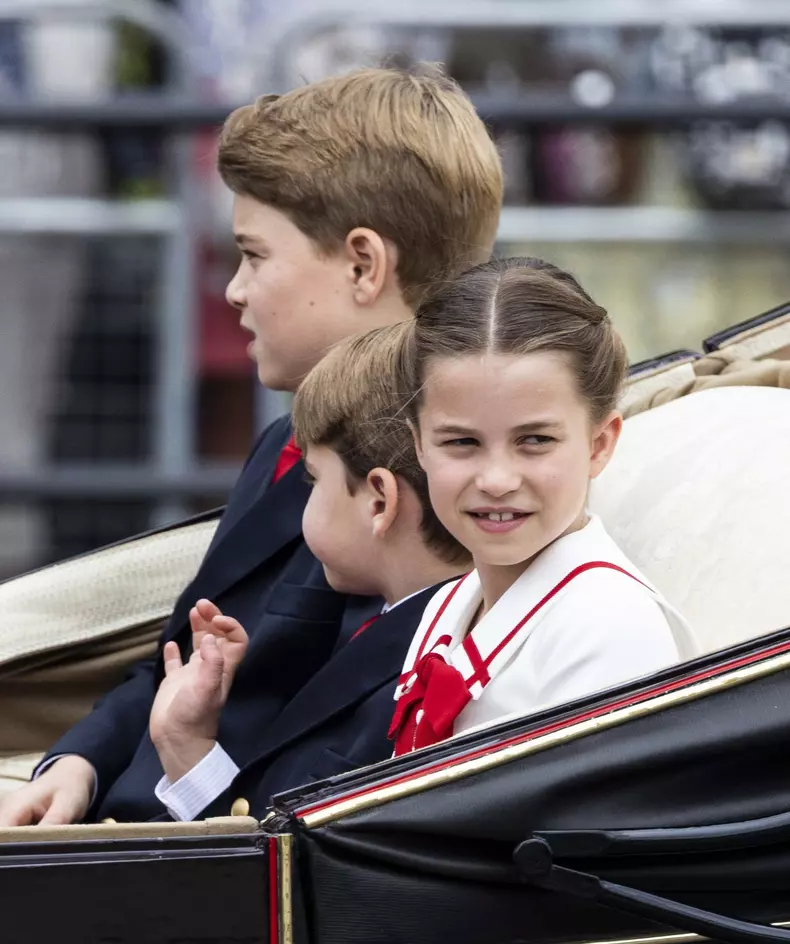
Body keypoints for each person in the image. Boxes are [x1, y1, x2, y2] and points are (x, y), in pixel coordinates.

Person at [0, 63, 503, 825]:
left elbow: (328, 774)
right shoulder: (286, 444)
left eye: (255, 255)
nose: (234, 289)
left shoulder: (441, 491)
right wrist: (76, 762)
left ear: (363, 264)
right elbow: (175, 656)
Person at [147, 323, 471, 819]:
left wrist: (184, 745)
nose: (307, 496)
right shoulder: (402, 629)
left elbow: (283, 861)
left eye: (313, 479)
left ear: (379, 501)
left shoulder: (419, 672)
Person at [389, 257, 701, 756]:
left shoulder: (610, 627)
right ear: (419, 445)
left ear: (600, 443)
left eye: (534, 440)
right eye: (462, 441)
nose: (496, 480)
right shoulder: (446, 607)